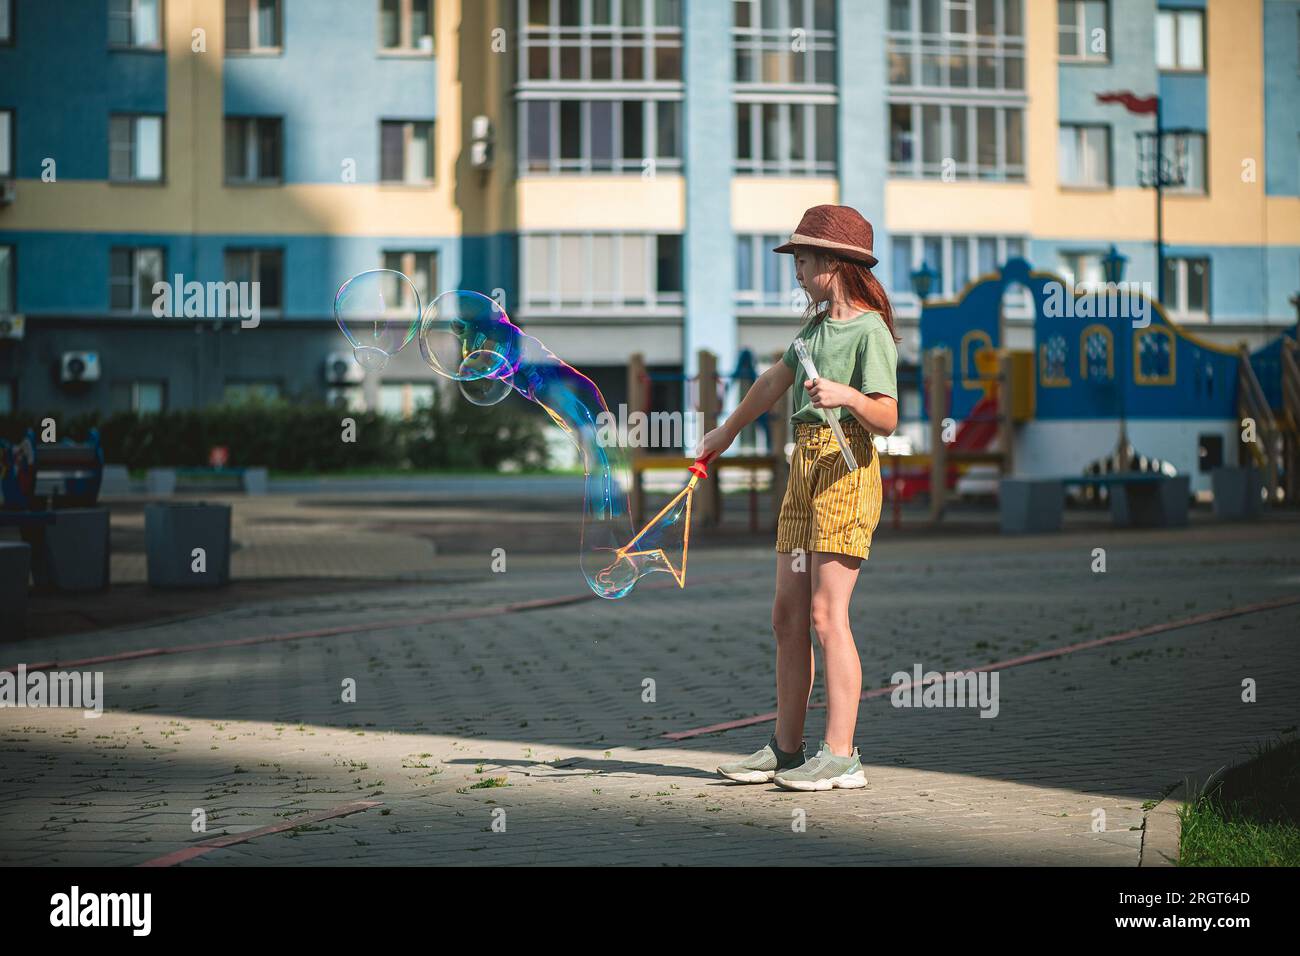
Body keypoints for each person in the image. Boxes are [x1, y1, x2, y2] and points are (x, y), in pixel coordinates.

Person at [698, 204, 900, 792]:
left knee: (826, 615)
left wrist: (848, 396)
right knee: (787, 616)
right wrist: (725, 432)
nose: (798, 271)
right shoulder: (812, 333)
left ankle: (842, 755)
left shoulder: (870, 332)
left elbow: (887, 416)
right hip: (804, 474)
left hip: (846, 472)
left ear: (835, 265)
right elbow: (770, 384)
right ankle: (787, 750)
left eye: (805, 260)